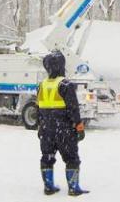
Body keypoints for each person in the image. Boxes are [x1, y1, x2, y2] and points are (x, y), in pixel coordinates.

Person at [37, 50, 88, 196]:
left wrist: (40, 127)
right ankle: (73, 188)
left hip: (47, 129)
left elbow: (38, 108)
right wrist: (79, 126)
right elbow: (73, 108)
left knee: (47, 157)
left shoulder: (42, 85)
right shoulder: (65, 84)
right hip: (64, 129)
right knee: (71, 158)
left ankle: (48, 187)